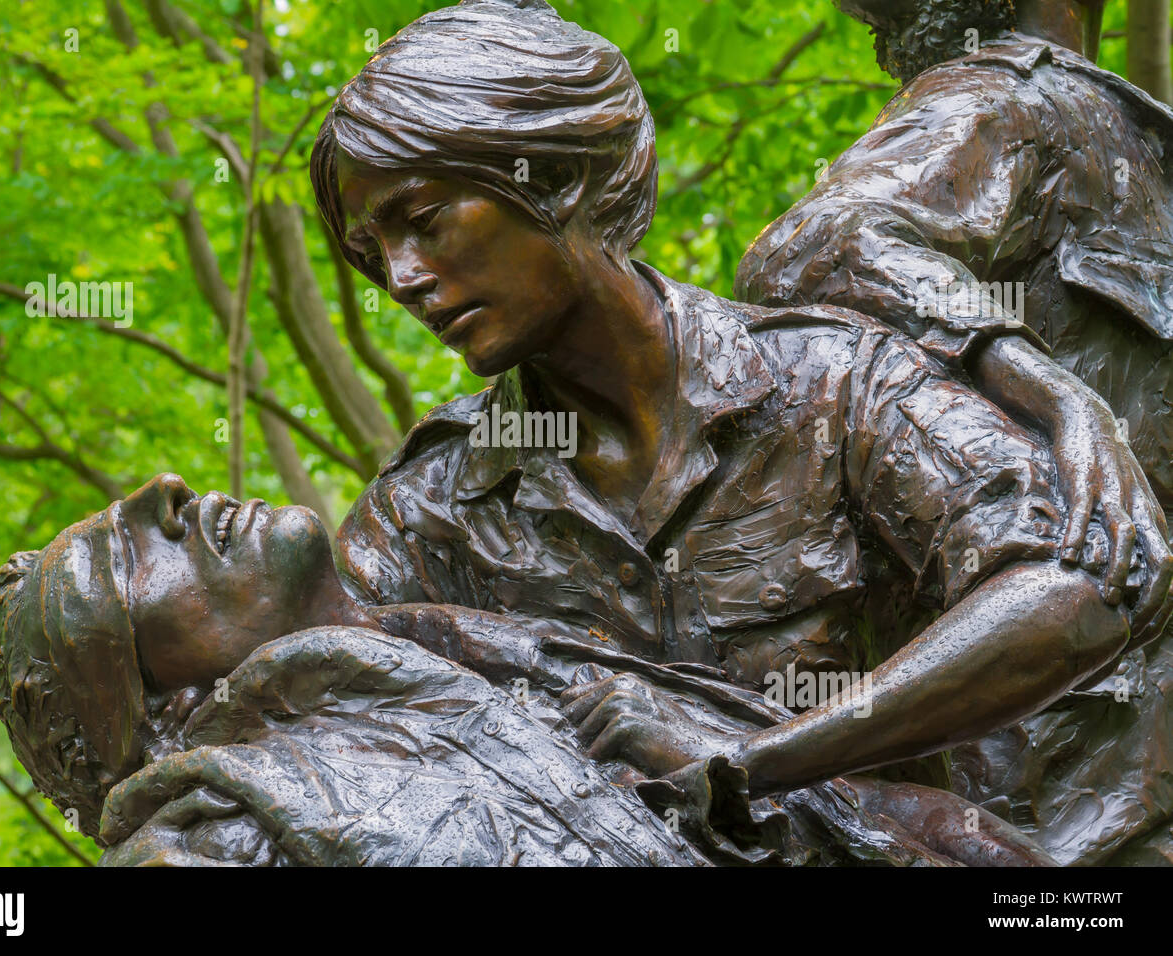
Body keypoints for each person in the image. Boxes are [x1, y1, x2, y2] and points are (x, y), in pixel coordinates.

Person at [310, 0, 1166, 831]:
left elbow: (1081, 590)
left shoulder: (833, 383)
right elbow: (292, 670)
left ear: (559, 180)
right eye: (369, 255)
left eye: (422, 221)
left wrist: (755, 759)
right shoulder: (429, 506)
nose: (402, 278)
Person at [0, 474, 1047, 865]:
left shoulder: (511, 660)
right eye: (130, 558)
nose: (163, 491)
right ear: (168, 717)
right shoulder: (214, 841)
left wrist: (749, 767)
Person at [733, 0, 1173, 864]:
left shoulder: (1124, 132)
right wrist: (1059, 397)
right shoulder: (1009, 96)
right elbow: (816, 247)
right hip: (1053, 772)